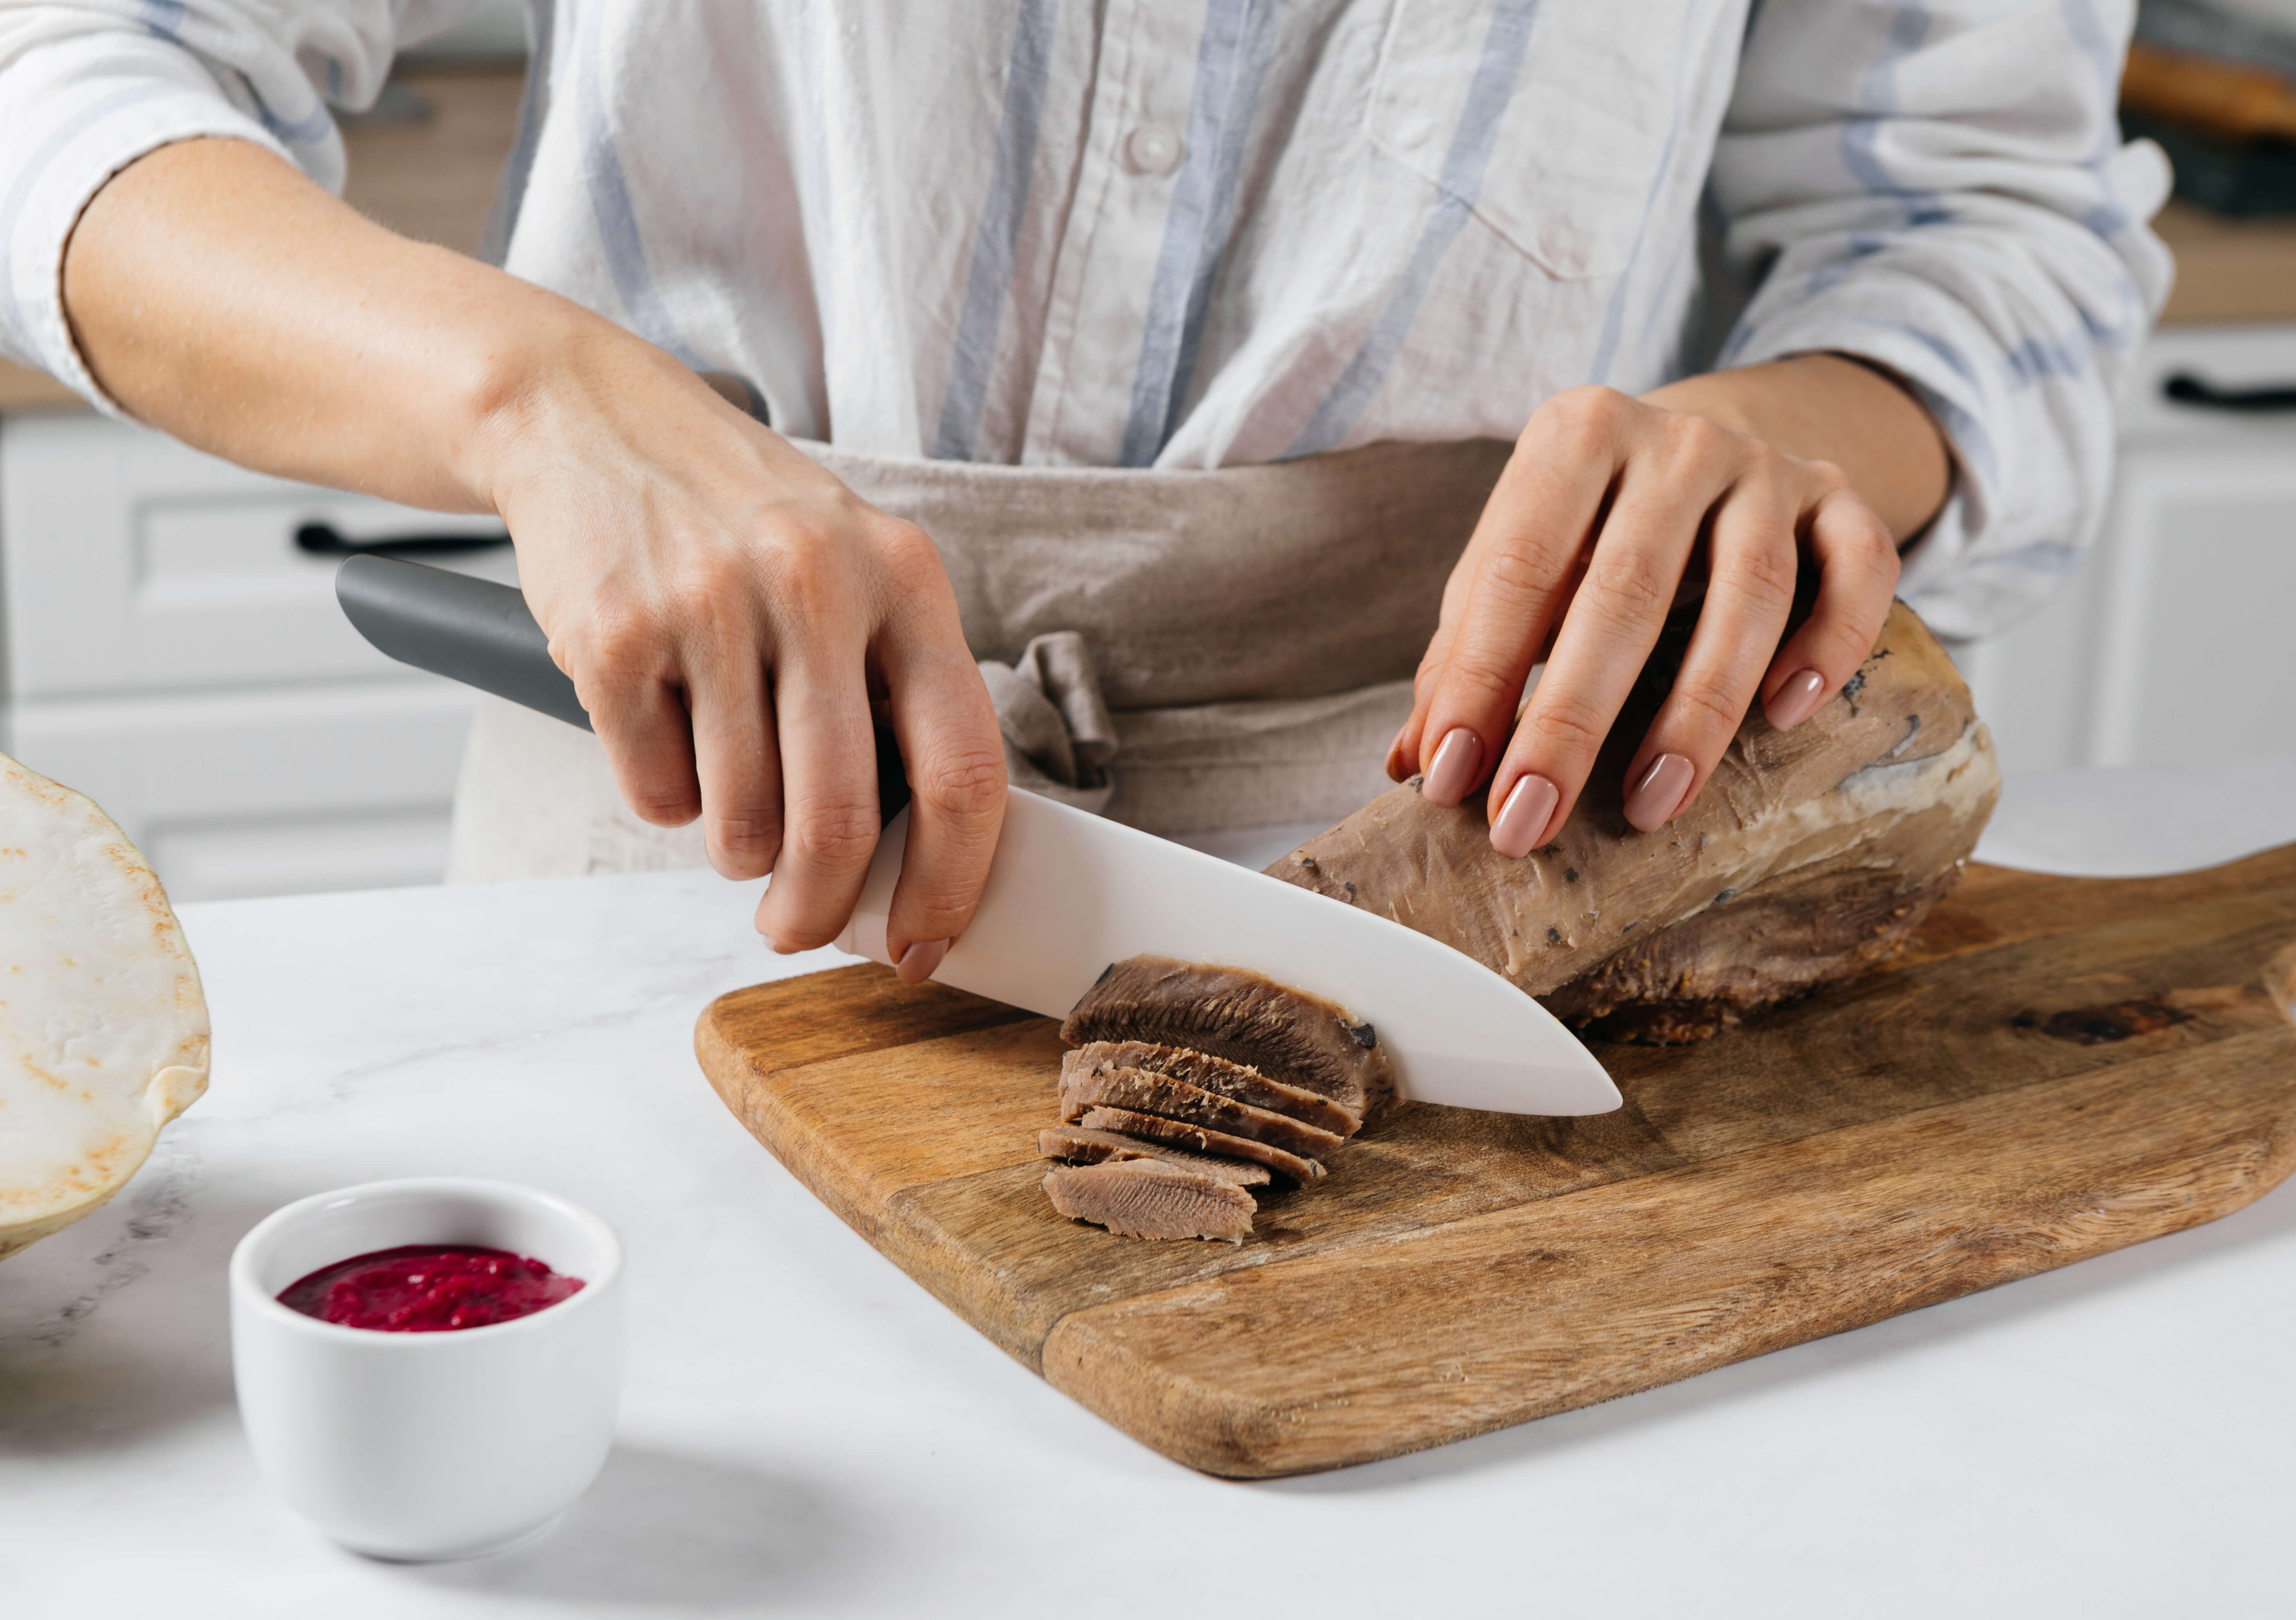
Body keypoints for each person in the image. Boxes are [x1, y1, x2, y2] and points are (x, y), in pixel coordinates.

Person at [0, 0, 2171, 983]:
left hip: (1485, 846)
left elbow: (1995, 223)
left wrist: (1808, 430)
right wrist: (531, 394)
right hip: (707, 817)